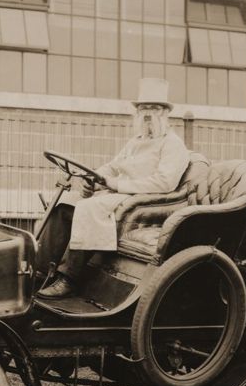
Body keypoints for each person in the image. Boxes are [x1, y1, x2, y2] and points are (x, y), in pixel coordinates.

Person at [37, 78, 190, 299]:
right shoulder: (135, 142)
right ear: (137, 113)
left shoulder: (172, 144)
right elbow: (113, 166)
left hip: (144, 201)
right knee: (65, 205)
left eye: (154, 108)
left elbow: (164, 183)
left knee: (90, 209)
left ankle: (69, 279)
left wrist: (116, 184)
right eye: (143, 108)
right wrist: (96, 176)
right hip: (119, 194)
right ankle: (41, 272)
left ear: (165, 113)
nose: (148, 113)